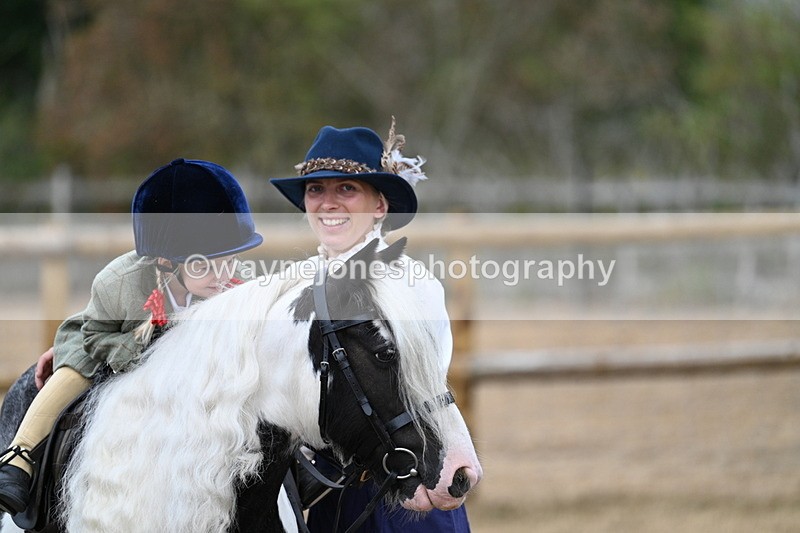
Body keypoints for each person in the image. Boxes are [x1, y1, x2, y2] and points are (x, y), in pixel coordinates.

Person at [0, 158, 264, 514]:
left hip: (181, 352)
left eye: (229, 260)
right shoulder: (119, 284)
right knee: (71, 373)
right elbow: (95, 335)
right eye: (206, 265)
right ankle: (18, 458)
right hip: (110, 337)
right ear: (166, 262)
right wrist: (142, 350)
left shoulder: (235, 285)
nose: (223, 275)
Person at [270, 120, 472, 532]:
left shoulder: (411, 284)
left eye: (347, 189)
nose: (328, 203)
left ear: (379, 205)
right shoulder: (296, 284)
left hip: (410, 475)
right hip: (335, 490)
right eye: (316, 190)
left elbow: (409, 387)